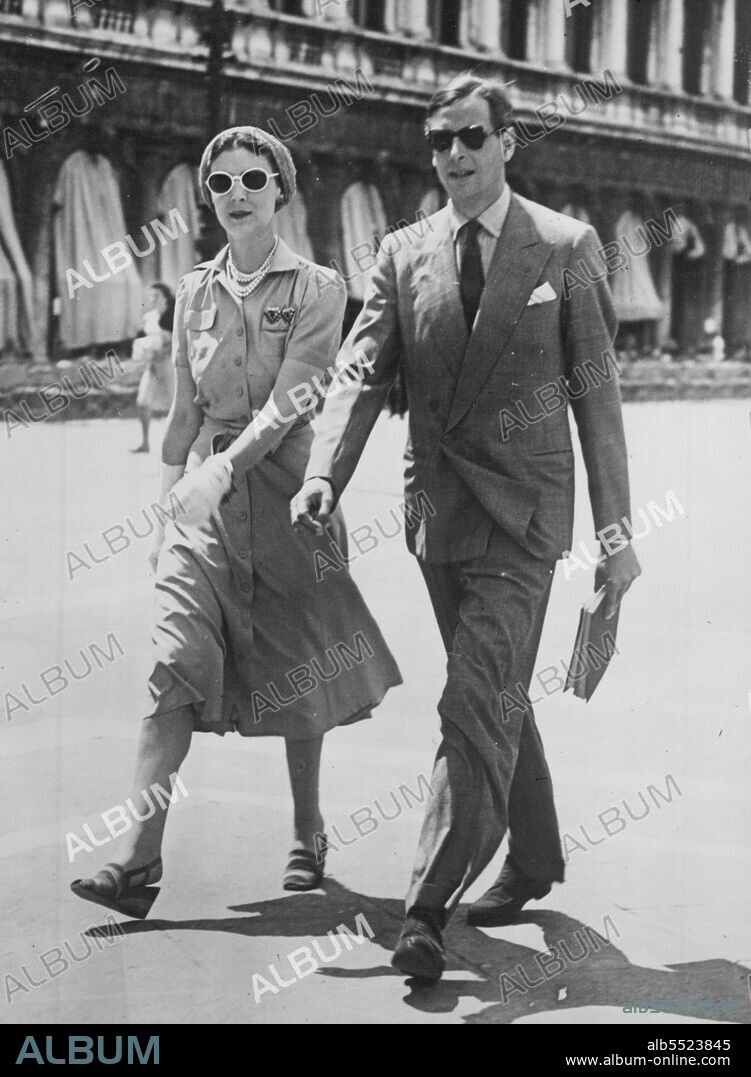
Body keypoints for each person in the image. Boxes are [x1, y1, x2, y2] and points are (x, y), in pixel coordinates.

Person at [291, 75, 641, 981]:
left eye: (471, 137)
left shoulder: (567, 247)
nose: (453, 154)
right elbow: (361, 373)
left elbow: (597, 401)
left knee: (473, 697)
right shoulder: (403, 252)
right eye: (439, 139)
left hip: (526, 518)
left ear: (507, 143)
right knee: (495, 694)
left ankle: (425, 906)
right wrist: (325, 473)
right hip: (437, 518)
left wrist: (617, 533)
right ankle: (532, 856)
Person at [71, 125, 401, 919]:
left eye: (253, 179)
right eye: (220, 184)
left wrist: (223, 468)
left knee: (302, 670)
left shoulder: (318, 287)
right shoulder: (191, 292)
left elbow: (294, 399)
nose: (236, 195)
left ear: (281, 191)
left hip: (290, 495)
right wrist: (165, 503)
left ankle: (306, 828)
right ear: (206, 197)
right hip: (202, 514)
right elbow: (184, 409)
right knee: (172, 663)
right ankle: (137, 862)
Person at [130, 283, 175, 453]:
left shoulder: (172, 315)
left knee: (174, 406)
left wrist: (166, 349)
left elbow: (178, 340)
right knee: (142, 402)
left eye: (157, 295)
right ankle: (145, 441)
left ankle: (175, 446)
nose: (153, 298)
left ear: (165, 297)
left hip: (170, 364)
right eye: (151, 295)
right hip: (153, 364)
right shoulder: (149, 317)